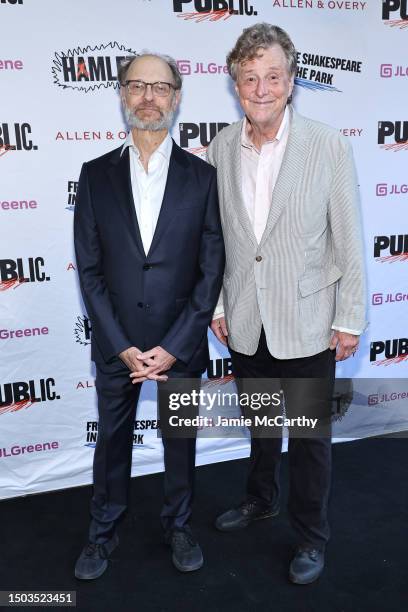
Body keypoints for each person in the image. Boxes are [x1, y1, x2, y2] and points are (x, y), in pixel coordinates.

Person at [207, 23, 366, 584]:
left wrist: (349, 317)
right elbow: (219, 240)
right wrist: (221, 306)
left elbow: (347, 238)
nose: (261, 87)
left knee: (307, 440)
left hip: (307, 322)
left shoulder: (327, 144)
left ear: (292, 81)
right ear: (235, 84)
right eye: (249, 78)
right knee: (260, 428)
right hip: (247, 322)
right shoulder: (220, 149)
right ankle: (260, 500)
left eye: (273, 75)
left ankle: (310, 537)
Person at [73, 52, 224, 579]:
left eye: (161, 87)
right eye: (137, 85)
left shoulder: (203, 178)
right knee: (112, 441)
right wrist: (120, 344)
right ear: (121, 94)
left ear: (177, 98)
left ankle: (178, 524)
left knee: (178, 441)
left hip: (178, 343)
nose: (149, 97)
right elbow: (89, 271)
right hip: (118, 346)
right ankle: (102, 530)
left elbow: (211, 271)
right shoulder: (94, 176)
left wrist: (176, 344)